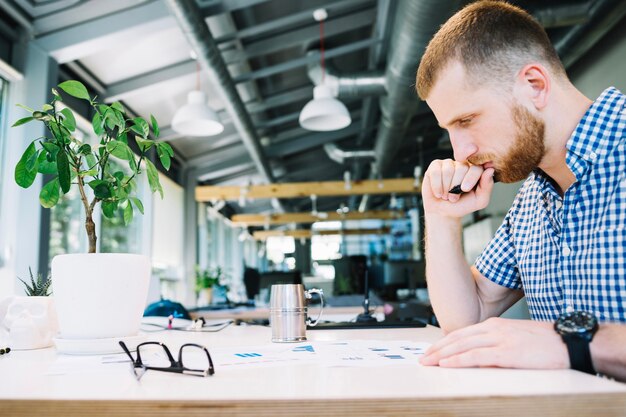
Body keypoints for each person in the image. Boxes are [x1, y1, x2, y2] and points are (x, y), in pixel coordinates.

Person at [415, 0, 625, 381]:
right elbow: (468, 318)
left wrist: (572, 343)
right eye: (450, 130)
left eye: (468, 120)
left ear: (535, 85)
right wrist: (441, 216)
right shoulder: (532, 198)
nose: (461, 152)